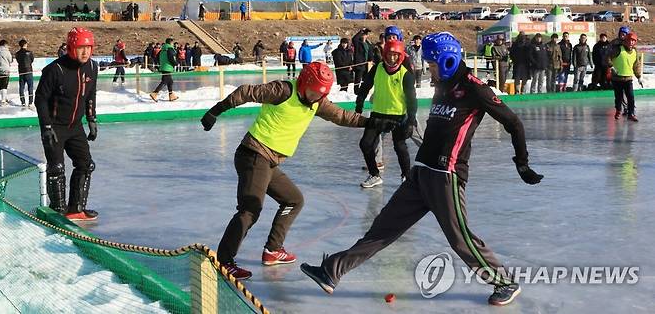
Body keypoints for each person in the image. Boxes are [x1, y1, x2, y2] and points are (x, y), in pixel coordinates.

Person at [301, 32, 543, 307]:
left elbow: (514, 123)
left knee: (460, 238)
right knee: (382, 228)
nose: (429, 70)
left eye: (432, 64)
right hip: (421, 173)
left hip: (446, 176)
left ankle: (503, 282)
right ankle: (332, 271)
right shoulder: (443, 85)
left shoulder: (475, 88)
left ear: (448, 60)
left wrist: (521, 162)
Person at [199, 62, 396, 280]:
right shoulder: (283, 90)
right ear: (303, 82)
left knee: (293, 200)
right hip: (254, 154)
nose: (314, 98)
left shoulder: (318, 102)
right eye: (313, 92)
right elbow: (245, 92)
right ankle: (224, 261)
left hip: (269, 161)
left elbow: (342, 116)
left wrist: (373, 123)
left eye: (320, 94)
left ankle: (273, 250)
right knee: (250, 209)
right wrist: (214, 112)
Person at [34, 27, 100, 221]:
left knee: (86, 164)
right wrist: (46, 126)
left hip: (75, 127)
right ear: (71, 47)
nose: (85, 52)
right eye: (81, 47)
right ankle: (59, 211)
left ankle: (76, 207)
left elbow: (90, 96)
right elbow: (40, 99)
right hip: (54, 127)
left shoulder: (93, 67)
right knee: (57, 168)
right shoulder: (56, 69)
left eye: (88, 47)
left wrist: (91, 119)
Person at [355, 40, 417, 188]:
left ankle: (406, 176)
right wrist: (359, 103)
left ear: (400, 56)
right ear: (384, 55)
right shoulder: (377, 69)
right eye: (389, 54)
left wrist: (410, 121)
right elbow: (365, 86)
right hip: (378, 114)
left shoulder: (405, 75)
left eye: (395, 55)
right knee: (365, 144)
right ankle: (374, 174)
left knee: (400, 146)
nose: (392, 58)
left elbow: (412, 100)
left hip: (398, 116)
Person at [607, 32, 641, 122]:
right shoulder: (618, 49)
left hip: (628, 78)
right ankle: (618, 110)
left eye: (633, 41)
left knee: (631, 97)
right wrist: (611, 67)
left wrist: (639, 77)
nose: (631, 43)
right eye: (630, 40)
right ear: (626, 41)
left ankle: (631, 114)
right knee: (619, 97)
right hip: (617, 79)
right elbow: (608, 57)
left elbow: (636, 65)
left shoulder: (635, 52)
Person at [150, 37, 179, 102]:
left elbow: (156, 58)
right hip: (167, 67)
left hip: (163, 67)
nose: (173, 44)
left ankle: (171, 95)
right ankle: (154, 93)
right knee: (165, 81)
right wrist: (176, 64)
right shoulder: (170, 49)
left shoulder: (162, 49)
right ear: (170, 43)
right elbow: (171, 58)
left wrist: (160, 64)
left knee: (170, 81)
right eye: (172, 43)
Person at [351, 28, 373, 94]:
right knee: (358, 79)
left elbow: (370, 53)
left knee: (366, 78)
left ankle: (364, 90)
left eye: (365, 35)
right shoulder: (358, 43)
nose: (364, 36)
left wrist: (371, 59)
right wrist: (360, 31)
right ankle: (356, 91)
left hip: (367, 64)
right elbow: (354, 39)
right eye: (363, 34)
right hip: (359, 64)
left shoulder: (368, 44)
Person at [15, 39, 34, 107]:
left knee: (21, 87)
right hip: (28, 71)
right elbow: (32, 60)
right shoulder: (29, 52)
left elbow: (18, 61)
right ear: (25, 44)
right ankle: (30, 102)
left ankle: (23, 102)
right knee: (30, 87)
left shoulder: (17, 53)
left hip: (21, 72)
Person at [0, 40, 13, 106]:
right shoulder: (7, 52)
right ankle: (3, 101)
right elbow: (10, 60)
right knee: (5, 86)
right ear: (4, 45)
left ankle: (4, 97)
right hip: (5, 70)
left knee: (1, 85)